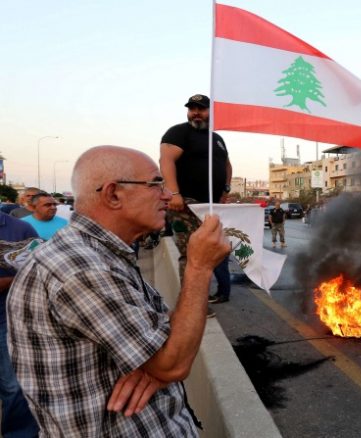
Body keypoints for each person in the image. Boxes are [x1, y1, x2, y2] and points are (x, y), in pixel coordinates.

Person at [6, 146, 230, 436]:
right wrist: (199, 268)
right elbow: (172, 364)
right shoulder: (82, 267)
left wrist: (154, 369)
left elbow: (161, 343)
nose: (167, 195)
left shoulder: (100, 254)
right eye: (156, 184)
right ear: (113, 194)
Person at [160, 94, 233, 307]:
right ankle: (192, 304)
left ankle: (204, 297)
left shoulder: (217, 139)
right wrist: (174, 193)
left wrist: (226, 189)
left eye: (201, 109)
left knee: (212, 252)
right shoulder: (178, 132)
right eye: (192, 109)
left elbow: (227, 165)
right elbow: (166, 160)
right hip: (186, 205)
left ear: (210, 112)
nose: (196, 113)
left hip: (211, 207)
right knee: (191, 255)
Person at [0, 211, 40, 437]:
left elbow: (41, 269)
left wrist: (10, 281)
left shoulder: (21, 229)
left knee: (14, 385)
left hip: (7, 319)